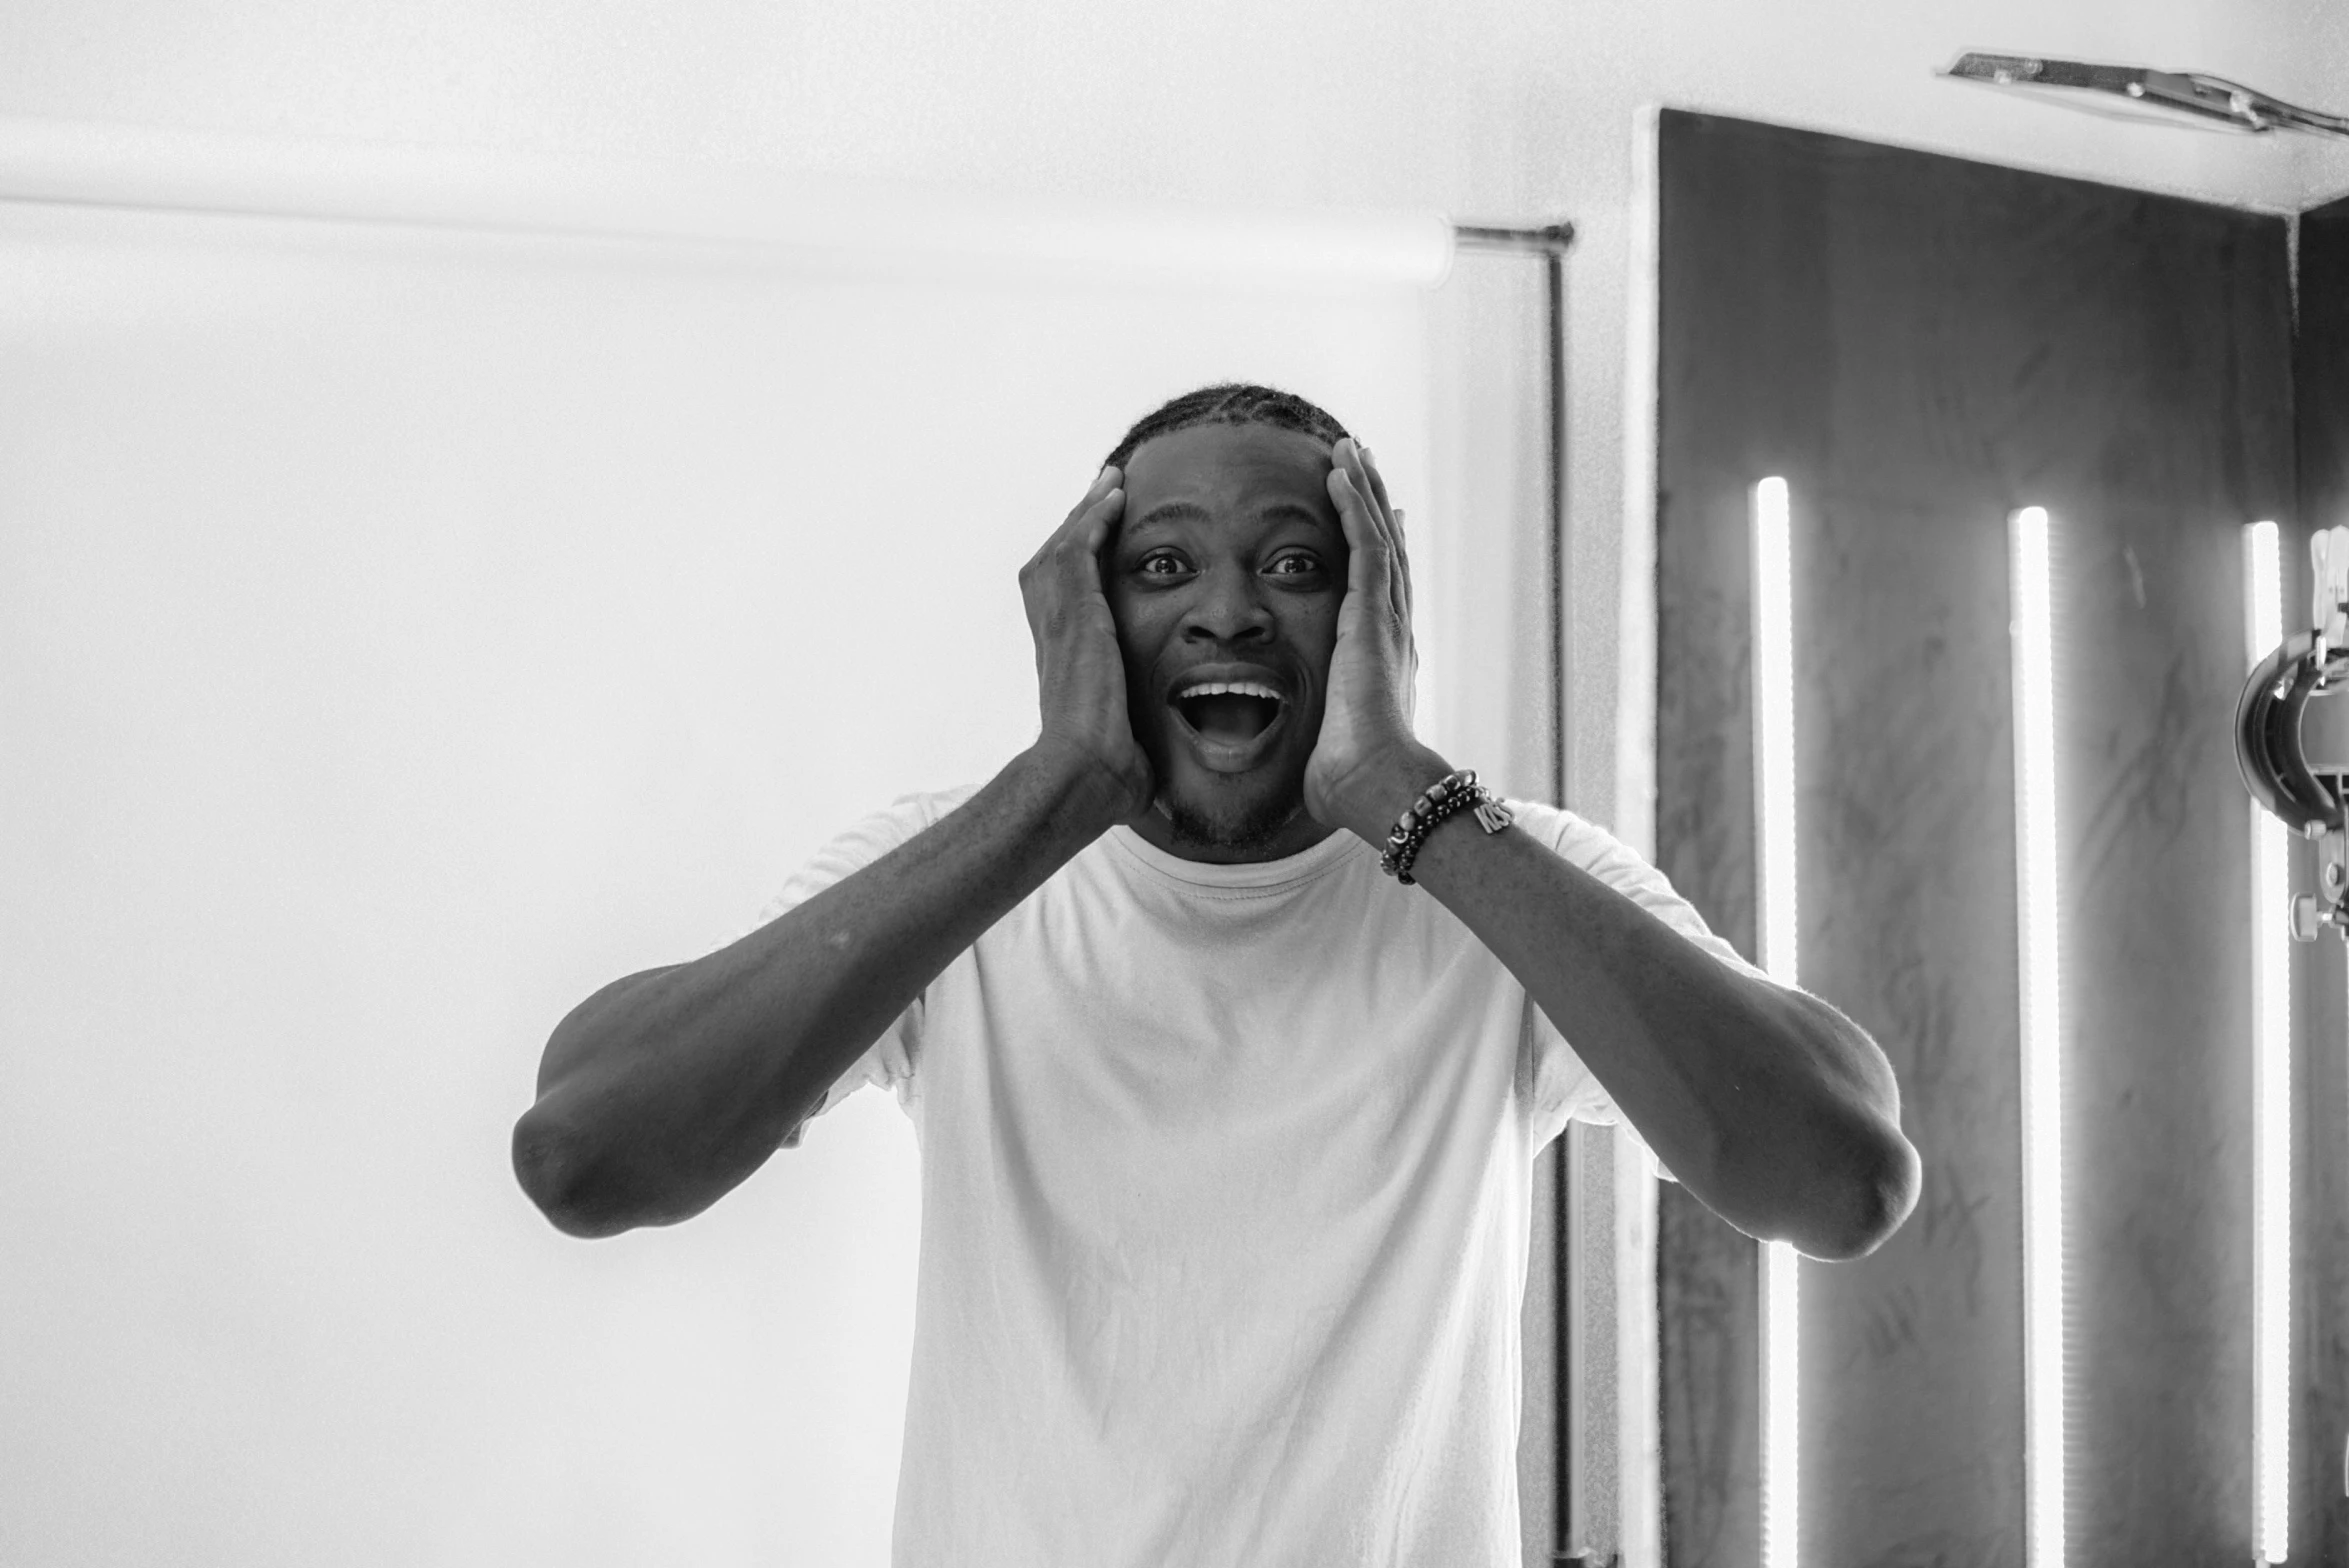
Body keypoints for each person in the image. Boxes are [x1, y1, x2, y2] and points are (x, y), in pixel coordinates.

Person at [511, 383, 1920, 1566]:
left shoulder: (1508, 879)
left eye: (1300, 566)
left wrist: (1404, 792)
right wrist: (1057, 789)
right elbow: (589, 1155)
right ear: (1085, 617)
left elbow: (1840, 1176)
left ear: (1379, 616)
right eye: (1164, 565)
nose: (1231, 613)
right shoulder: (961, 876)